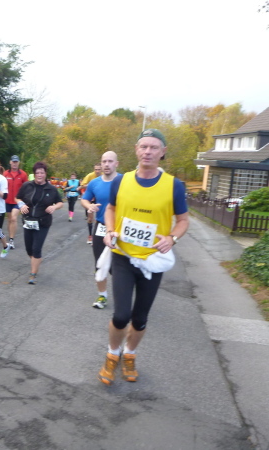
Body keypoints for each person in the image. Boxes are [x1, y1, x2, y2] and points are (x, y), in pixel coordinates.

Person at [98, 129, 189, 385]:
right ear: (136, 149)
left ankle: (130, 355)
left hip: (151, 262)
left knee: (139, 319)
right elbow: (110, 209)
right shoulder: (121, 181)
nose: (148, 151)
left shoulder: (173, 185)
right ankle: (112, 354)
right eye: (143, 146)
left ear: (163, 152)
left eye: (154, 147)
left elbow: (183, 220)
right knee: (121, 316)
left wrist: (172, 238)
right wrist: (110, 230)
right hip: (123, 256)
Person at [81, 152, 120, 309]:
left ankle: (123, 295)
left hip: (119, 229)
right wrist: (89, 206)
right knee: (99, 263)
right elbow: (85, 199)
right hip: (101, 227)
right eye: (104, 161)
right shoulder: (94, 183)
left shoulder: (124, 181)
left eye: (110, 161)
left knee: (118, 266)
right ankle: (102, 295)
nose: (106, 164)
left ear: (116, 163)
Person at [16, 161, 63, 284]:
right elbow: (17, 197)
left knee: (36, 248)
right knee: (29, 249)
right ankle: (36, 261)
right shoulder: (27, 185)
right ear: (34, 174)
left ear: (45, 174)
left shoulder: (51, 189)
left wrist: (54, 207)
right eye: (37, 173)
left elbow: (60, 202)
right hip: (28, 221)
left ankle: (33, 274)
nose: (39, 175)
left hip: (43, 222)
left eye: (42, 173)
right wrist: (21, 204)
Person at [3, 155, 28, 250]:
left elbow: (26, 188)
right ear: (10, 162)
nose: (14, 163)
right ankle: (10, 237)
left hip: (18, 201)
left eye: (16, 162)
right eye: (13, 162)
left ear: (18, 163)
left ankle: (11, 240)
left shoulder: (23, 174)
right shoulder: (5, 174)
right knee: (9, 220)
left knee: (14, 218)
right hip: (7, 200)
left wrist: (25, 200)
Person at [79, 163, 102, 244]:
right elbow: (82, 185)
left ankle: (99, 236)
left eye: (99, 169)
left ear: (101, 169)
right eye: (96, 169)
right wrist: (91, 185)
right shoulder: (90, 175)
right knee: (90, 218)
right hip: (91, 199)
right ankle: (90, 236)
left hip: (100, 198)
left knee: (100, 218)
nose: (97, 171)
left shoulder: (104, 175)